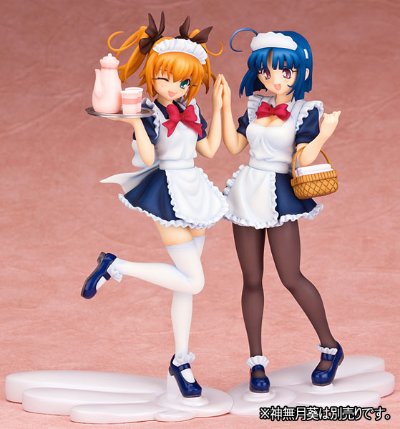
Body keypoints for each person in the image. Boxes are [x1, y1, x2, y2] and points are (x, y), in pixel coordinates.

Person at [82, 13, 227, 398]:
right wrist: (134, 123)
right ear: (152, 75)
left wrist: (222, 107)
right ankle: (116, 266)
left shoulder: (193, 110)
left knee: (185, 286)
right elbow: (147, 159)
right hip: (168, 191)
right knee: (194, 281)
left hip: (195, 188)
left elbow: (210, 150)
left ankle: (181, 361)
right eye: (166, 78)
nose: (174, 87)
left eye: (184, 82)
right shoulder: (149, 112)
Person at [220, 28, 342, 392]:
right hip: (248, 191)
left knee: (291, 276)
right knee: (251, 280)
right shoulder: (254, 106)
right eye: (266, 71)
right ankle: (256, 363)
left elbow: (302, 157)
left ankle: (330, 347)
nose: (274, 78)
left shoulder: (306, 111)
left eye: (284, 71)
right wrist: (222, 107)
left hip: (280, 194)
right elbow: (234, 146)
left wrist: (324, 133)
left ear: (300, 71)